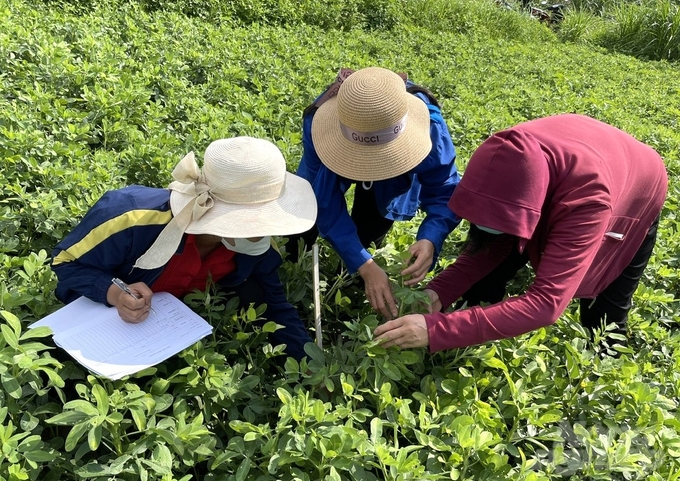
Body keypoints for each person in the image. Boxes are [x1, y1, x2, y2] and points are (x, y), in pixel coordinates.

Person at [374, 114, 668, 352]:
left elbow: (546, 304)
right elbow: (490, 247)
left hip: (638, 183)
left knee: (604, 316)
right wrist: (438, 292)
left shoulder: (587, 199)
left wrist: (437, 330)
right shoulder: (504, 156)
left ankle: (609, 366)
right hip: (580, 153)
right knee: (485, 279)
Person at [51, 137, 318, 361]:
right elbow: (65, 262)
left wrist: (309, 363)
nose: (264, 233)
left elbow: (275, 303)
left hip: (176, 329)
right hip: (112, 326)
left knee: (253, 289)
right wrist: (112, 292)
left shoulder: (253, 248)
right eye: (257, 221)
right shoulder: (132, 217)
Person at [293, 66, 461, 319]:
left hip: (393, 173)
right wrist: (364, 263)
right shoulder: (319, 126)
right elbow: (323, 200)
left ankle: (349, 283)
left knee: (373, 221)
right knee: (302, 213)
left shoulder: (429, 126)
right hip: (335, 141)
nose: (368, 167)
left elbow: (444, 189)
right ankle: (291, 266)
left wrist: (430, 238)